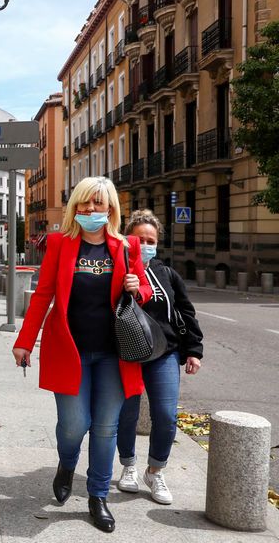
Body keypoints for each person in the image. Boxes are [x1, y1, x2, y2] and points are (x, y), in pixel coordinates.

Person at [11, 176, 153, 533]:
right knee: (74, 425)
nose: (91, 209)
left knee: (105, 428)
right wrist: (25, 340)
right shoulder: (60, 244)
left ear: (110, 209)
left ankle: (97, 496)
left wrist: (137, 287)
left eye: (99, 203)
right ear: (76, 206)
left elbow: (145, 292)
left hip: (114, 354)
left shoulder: (126, 245)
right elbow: (43, 294)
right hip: (69, 349)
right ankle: (66, 463)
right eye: (85, 203)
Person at [115, 210, 204, 504]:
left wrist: (193, 350)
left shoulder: (167, 274)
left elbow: (186, 311)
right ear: (129, 238)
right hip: (127, 352)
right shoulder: (116, 268)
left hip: (164, 352)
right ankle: (128, 465)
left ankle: (155, 470)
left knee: (166, 416)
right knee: (127, 414)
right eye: (139, 238)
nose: (145, 243)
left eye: (150, 239)